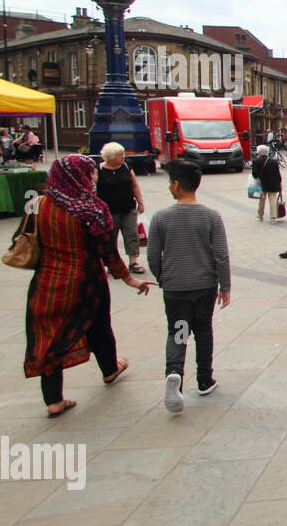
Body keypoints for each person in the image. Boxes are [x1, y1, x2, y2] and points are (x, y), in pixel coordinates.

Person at [24, 156, 154, 417]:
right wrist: (129, 278)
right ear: (81, 177)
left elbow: (23, 237)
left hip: (46, 283)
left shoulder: (38, 205)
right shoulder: (92, 208)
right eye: (92, 173)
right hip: (86, 281)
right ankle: (109, 369)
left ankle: (53, 400)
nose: (94, 177)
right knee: (98, 326)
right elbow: (108, 251)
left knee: (47, 338)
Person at [148, 159, 231, 413]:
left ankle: (175, 373)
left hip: (175, 287)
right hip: (204, 285)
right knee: (204, 330)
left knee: (179, 331)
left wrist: (163, 277)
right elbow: (221, 255)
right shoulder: (211, 217)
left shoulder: (161, 217)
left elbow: (153, 255)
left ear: (176, 185)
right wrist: (225, 286)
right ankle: (205, 379)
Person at [96, 142, 147, 274]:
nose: (123, 157)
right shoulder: (98, 170)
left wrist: (140, 202)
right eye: (120, 155)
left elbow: (134, 185)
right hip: (108, 211)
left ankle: (133, 262)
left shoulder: (126, 166)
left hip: (128, 208)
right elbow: (92, 189)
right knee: (110, 237)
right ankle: (111, 264)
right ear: (110, 156)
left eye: (123, 154)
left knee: (132, 235)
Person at [251, 144, 284, 222]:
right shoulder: (274, 161)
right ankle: (273, 218)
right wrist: (279, 183)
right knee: (272, 200)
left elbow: (255, 175)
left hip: (261, 184)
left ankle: (260, 215)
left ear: (259, 152)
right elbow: (278, 173)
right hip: (273, 184)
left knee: (261, 200)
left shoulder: (256, 161)